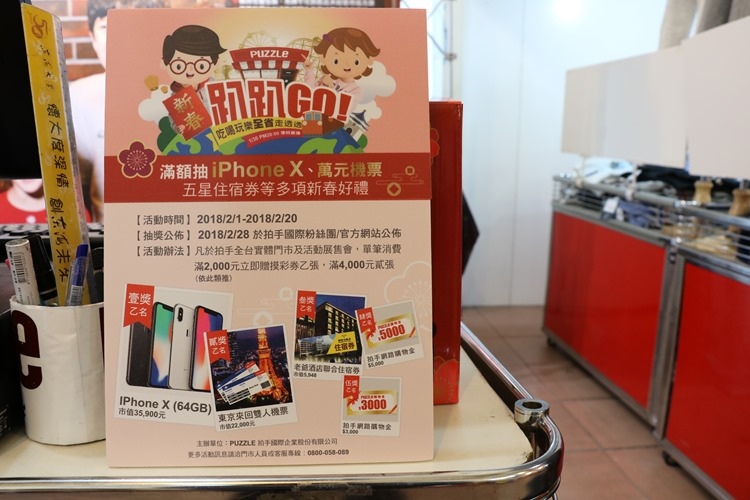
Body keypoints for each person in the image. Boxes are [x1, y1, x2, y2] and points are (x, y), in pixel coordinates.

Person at [69, 0, 168, 223]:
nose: (121, 38)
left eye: (134, 24)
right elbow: (74, 187)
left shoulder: (184, 92)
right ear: (92, 37)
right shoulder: (78, 96)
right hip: (107, 236)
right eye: (106, 26)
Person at [304, 27, 381, 110]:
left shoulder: (356, 91)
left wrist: (330, 87)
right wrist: (309, 70)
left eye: (356, 62)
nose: (346, 65)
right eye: (336, 61)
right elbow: (309, 91)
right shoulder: (326, 78)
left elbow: (342, 110)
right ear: (324, 58)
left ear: (369, 60)